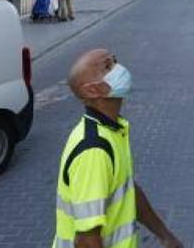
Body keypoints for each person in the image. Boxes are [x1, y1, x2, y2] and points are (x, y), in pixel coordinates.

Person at [54, 49, 182, 248]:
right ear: (91, 90)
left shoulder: (113, 130)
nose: (118, 68)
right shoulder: (94, 151)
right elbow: (86, 240)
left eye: (115, 61)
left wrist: (165, 236)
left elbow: (128, 191)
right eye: (107, 66)